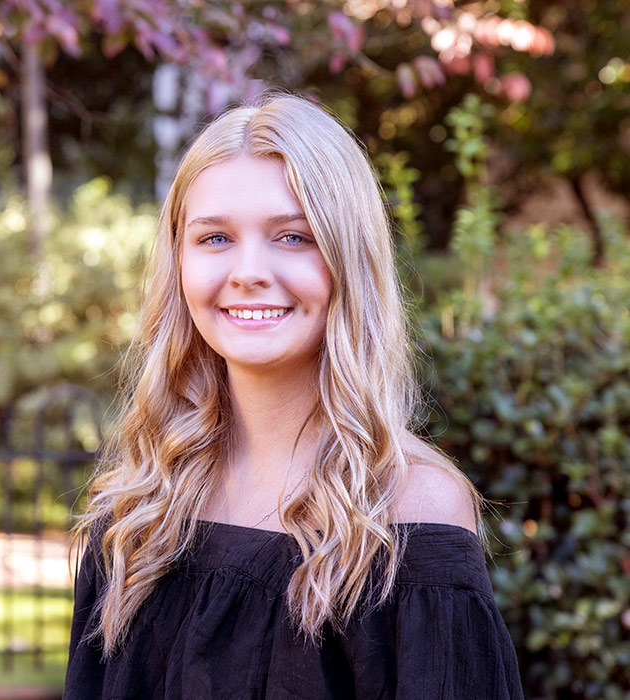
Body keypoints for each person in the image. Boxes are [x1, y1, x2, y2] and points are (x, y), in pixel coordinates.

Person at [64, 93, 523, 699]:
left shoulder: (410, 510)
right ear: (178, 263)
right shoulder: (138, 508)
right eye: (215, 239)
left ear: (348, 261)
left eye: (292, 237)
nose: (248, 270)